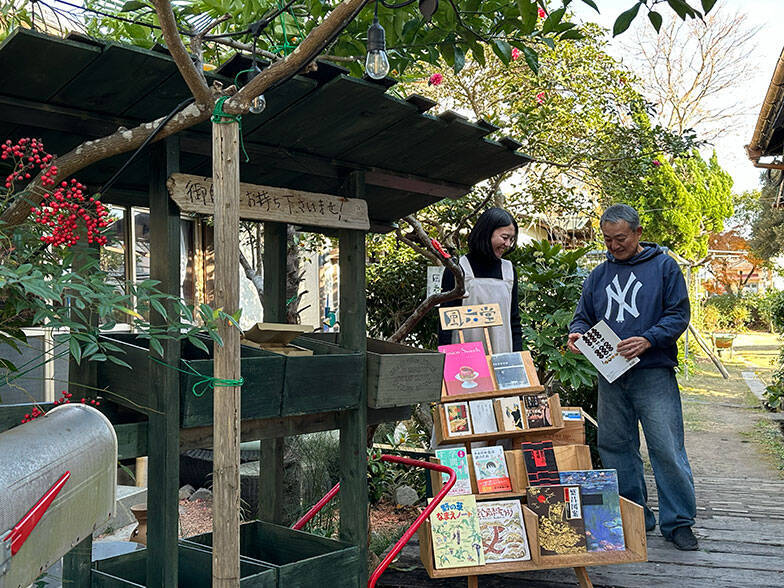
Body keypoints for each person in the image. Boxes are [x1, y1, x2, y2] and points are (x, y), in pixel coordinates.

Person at [567, 203, 698, 551]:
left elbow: (678, 314)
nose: (613, 246)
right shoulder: (598, 275)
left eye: (620, 238)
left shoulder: (664, 267)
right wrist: (576, 334)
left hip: (653, 372)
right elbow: (583, 317)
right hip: (611, 374)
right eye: (608, 240)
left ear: (638, 233)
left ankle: (679, 522)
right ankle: (634, 515)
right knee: (615, 446)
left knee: (666, 447)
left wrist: (649, 339)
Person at [438, 207, 522, 355]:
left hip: (503, 357)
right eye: (504, 237)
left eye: (511, 239)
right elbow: (446, 323)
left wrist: (518, 360)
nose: (508, 244)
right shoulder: (458, 270)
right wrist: (446, 362)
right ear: (486, 233)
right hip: (465, 359)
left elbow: (514, 321)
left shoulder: (509, 271)